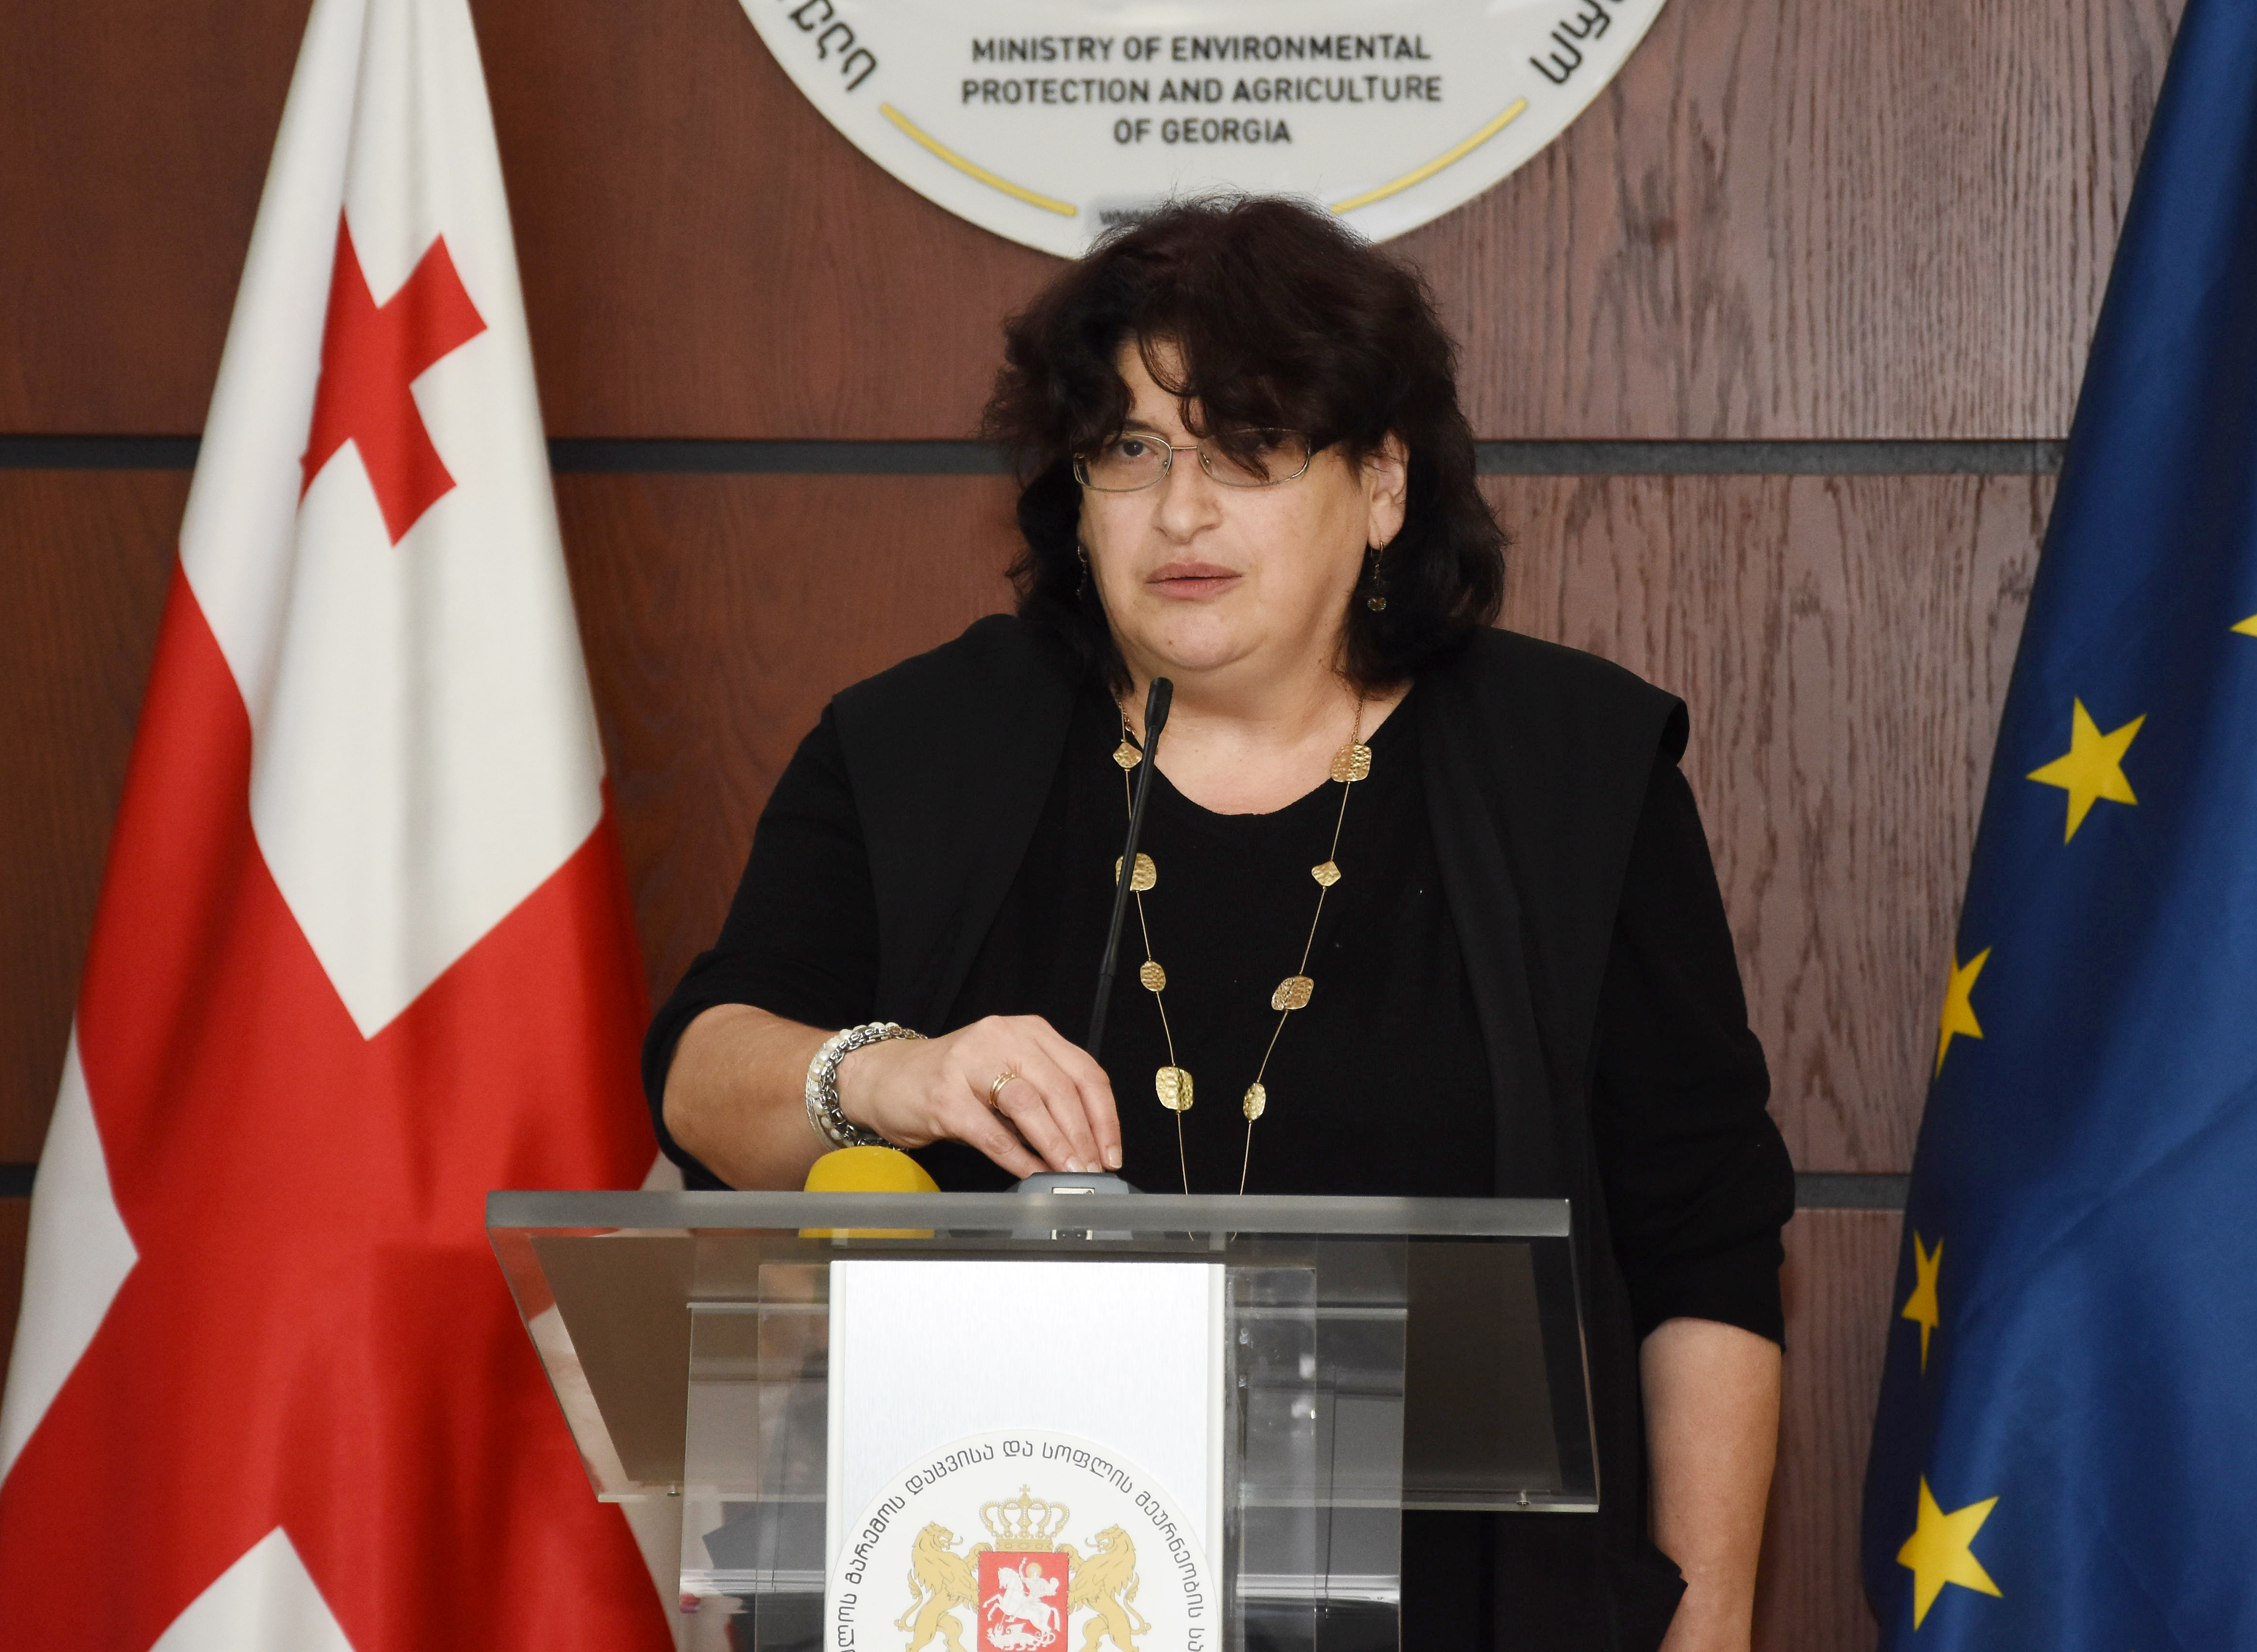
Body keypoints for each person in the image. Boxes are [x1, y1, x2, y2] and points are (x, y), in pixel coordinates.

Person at [646, 196, 1793, 1652]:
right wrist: (886, 1074)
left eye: (1248, 448)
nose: (1181, 512)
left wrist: (1708, 1621)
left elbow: (1703, 1235)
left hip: (1463, 1612)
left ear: (1382, 485)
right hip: (1003, 1588)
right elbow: (700, 1078)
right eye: (1131, 451)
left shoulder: (1573, 768)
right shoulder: (920, 747)